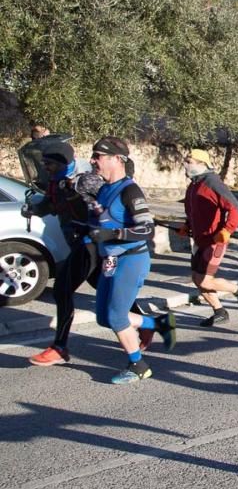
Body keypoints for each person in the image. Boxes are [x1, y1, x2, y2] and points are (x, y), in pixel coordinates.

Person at [24, 141, 174, 366]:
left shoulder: (87, 180)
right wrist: (34, 210)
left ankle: (60, 347)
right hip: (89, 242)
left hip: (97, 246)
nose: (45, 167)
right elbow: (54, 206)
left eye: (50, 163)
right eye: (44, 163)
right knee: (106, 303)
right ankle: (153, 324)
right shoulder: (57, 183)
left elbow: (122, 216)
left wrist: (107, 232)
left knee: (63, 289)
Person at [87, 137, 173, 384]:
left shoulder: (130, 190)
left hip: (131, 259)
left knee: (116, 317)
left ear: (117, 159)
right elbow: (102, 221)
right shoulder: (104, 189)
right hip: (110, 260)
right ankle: (159, 323)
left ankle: (138, 365)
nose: (93, 160)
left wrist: (112, 235)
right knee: (104, 317)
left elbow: (147, 229)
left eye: (98, 156)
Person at [176, 149, 238, 327]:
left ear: (201, 164)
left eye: (189, 161)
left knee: (205, 280)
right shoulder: (194, 184)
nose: (186, 164)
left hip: (215, 240)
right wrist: (187, 225)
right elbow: (194, 211)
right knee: (196, 277)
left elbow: (235, 207)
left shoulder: (212, 181)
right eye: (186, 160)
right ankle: (219, 312)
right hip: (199, 241)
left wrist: (227, 229)